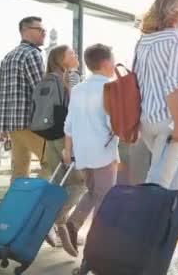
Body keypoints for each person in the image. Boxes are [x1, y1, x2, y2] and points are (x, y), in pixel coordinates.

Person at [134, 0, 178, 258]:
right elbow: (174, 83)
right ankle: (154, 248)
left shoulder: (144, 41)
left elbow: (137, 84)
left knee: (174, 182)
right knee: (160, 187)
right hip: (167, 121)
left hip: (147, 122)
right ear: (176, 12)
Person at [60, 44, 119, 257]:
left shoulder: (78, 89)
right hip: (103, 153)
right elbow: (113, 123)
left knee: (94, 193)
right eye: (113, 60)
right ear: (105, 63)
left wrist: (68, 151)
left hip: (83, 153)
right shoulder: (109, 88)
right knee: (105, 199)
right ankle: (99, 250)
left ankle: (73, 225)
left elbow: (69, 124)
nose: (114, 64)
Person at [42, 45, 86, 251]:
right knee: (79, 183)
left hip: (49, 138)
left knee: (60, 185)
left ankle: (62, 231)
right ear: (61, 60)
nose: (76, 56)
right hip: (66, 137)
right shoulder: (73, 76)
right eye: (71, 54)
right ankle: (54, 221)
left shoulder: (48, 78)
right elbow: (76, 109)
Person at [0, 16, 48, 183]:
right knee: (53, 163)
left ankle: (17, 207)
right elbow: (41, 90)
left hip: (14, 127)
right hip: (30, 123)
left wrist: (2, 126)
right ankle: (38, 202)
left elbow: (3, 94)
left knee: (19, 172)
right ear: (25, 31)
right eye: (39, 30)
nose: (43, 33)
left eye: (44, 30)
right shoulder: (32, 54)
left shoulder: (8, 57)